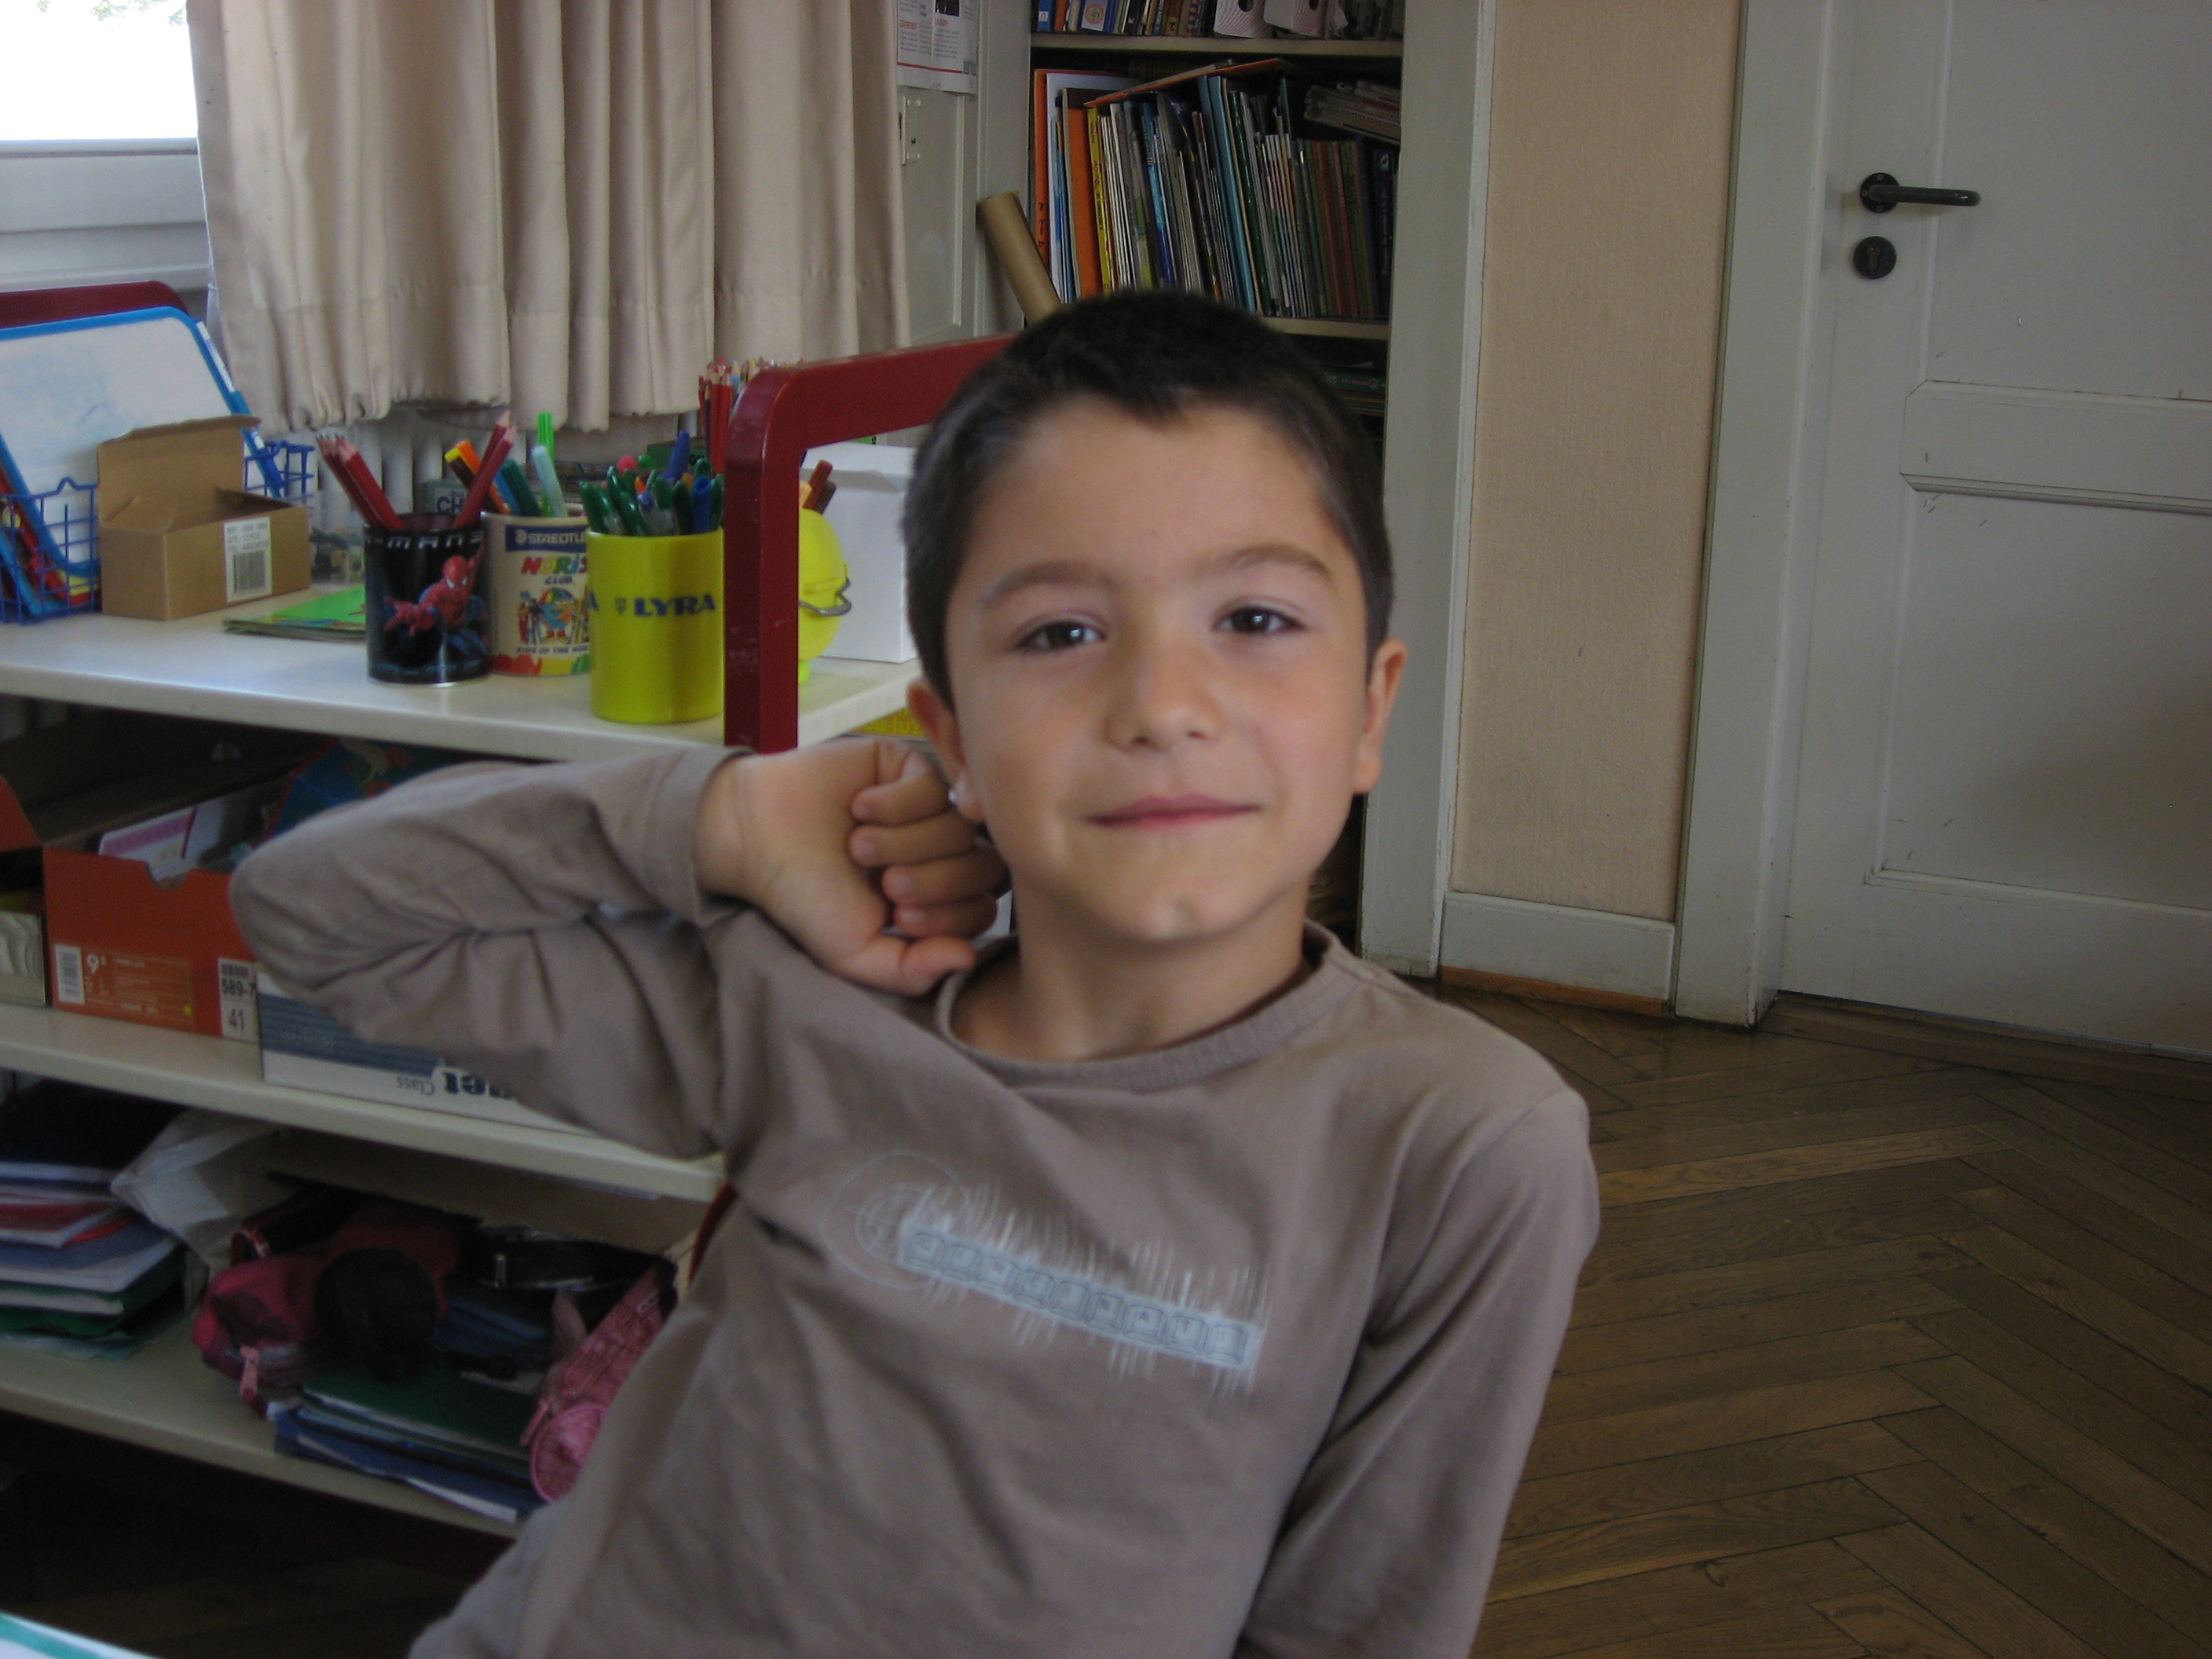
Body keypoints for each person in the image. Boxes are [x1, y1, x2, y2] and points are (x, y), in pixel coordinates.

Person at [231, 291, 1599, 1659]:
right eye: (1061, 634)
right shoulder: (814, 996)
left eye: (1254, 615)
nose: (1163, 706)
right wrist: (726, 815)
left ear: (1370, 708)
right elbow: (313, 914)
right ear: (950, 735)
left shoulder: (1456, 1148)